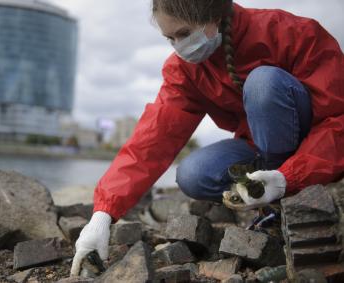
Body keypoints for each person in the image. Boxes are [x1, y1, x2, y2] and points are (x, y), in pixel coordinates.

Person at [71, 0, 344, 275]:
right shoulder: (184, 70)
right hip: (257, 146)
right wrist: (102, 215)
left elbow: (338, 119)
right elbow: (151, 142)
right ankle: (264, 193)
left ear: (214, 16)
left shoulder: (288, 32)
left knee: (263, 83)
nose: (179, 46)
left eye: (184, 34)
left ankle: (279, 194)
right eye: (170, 38)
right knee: (192, 173)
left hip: (311, 145)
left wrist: (291, 176)